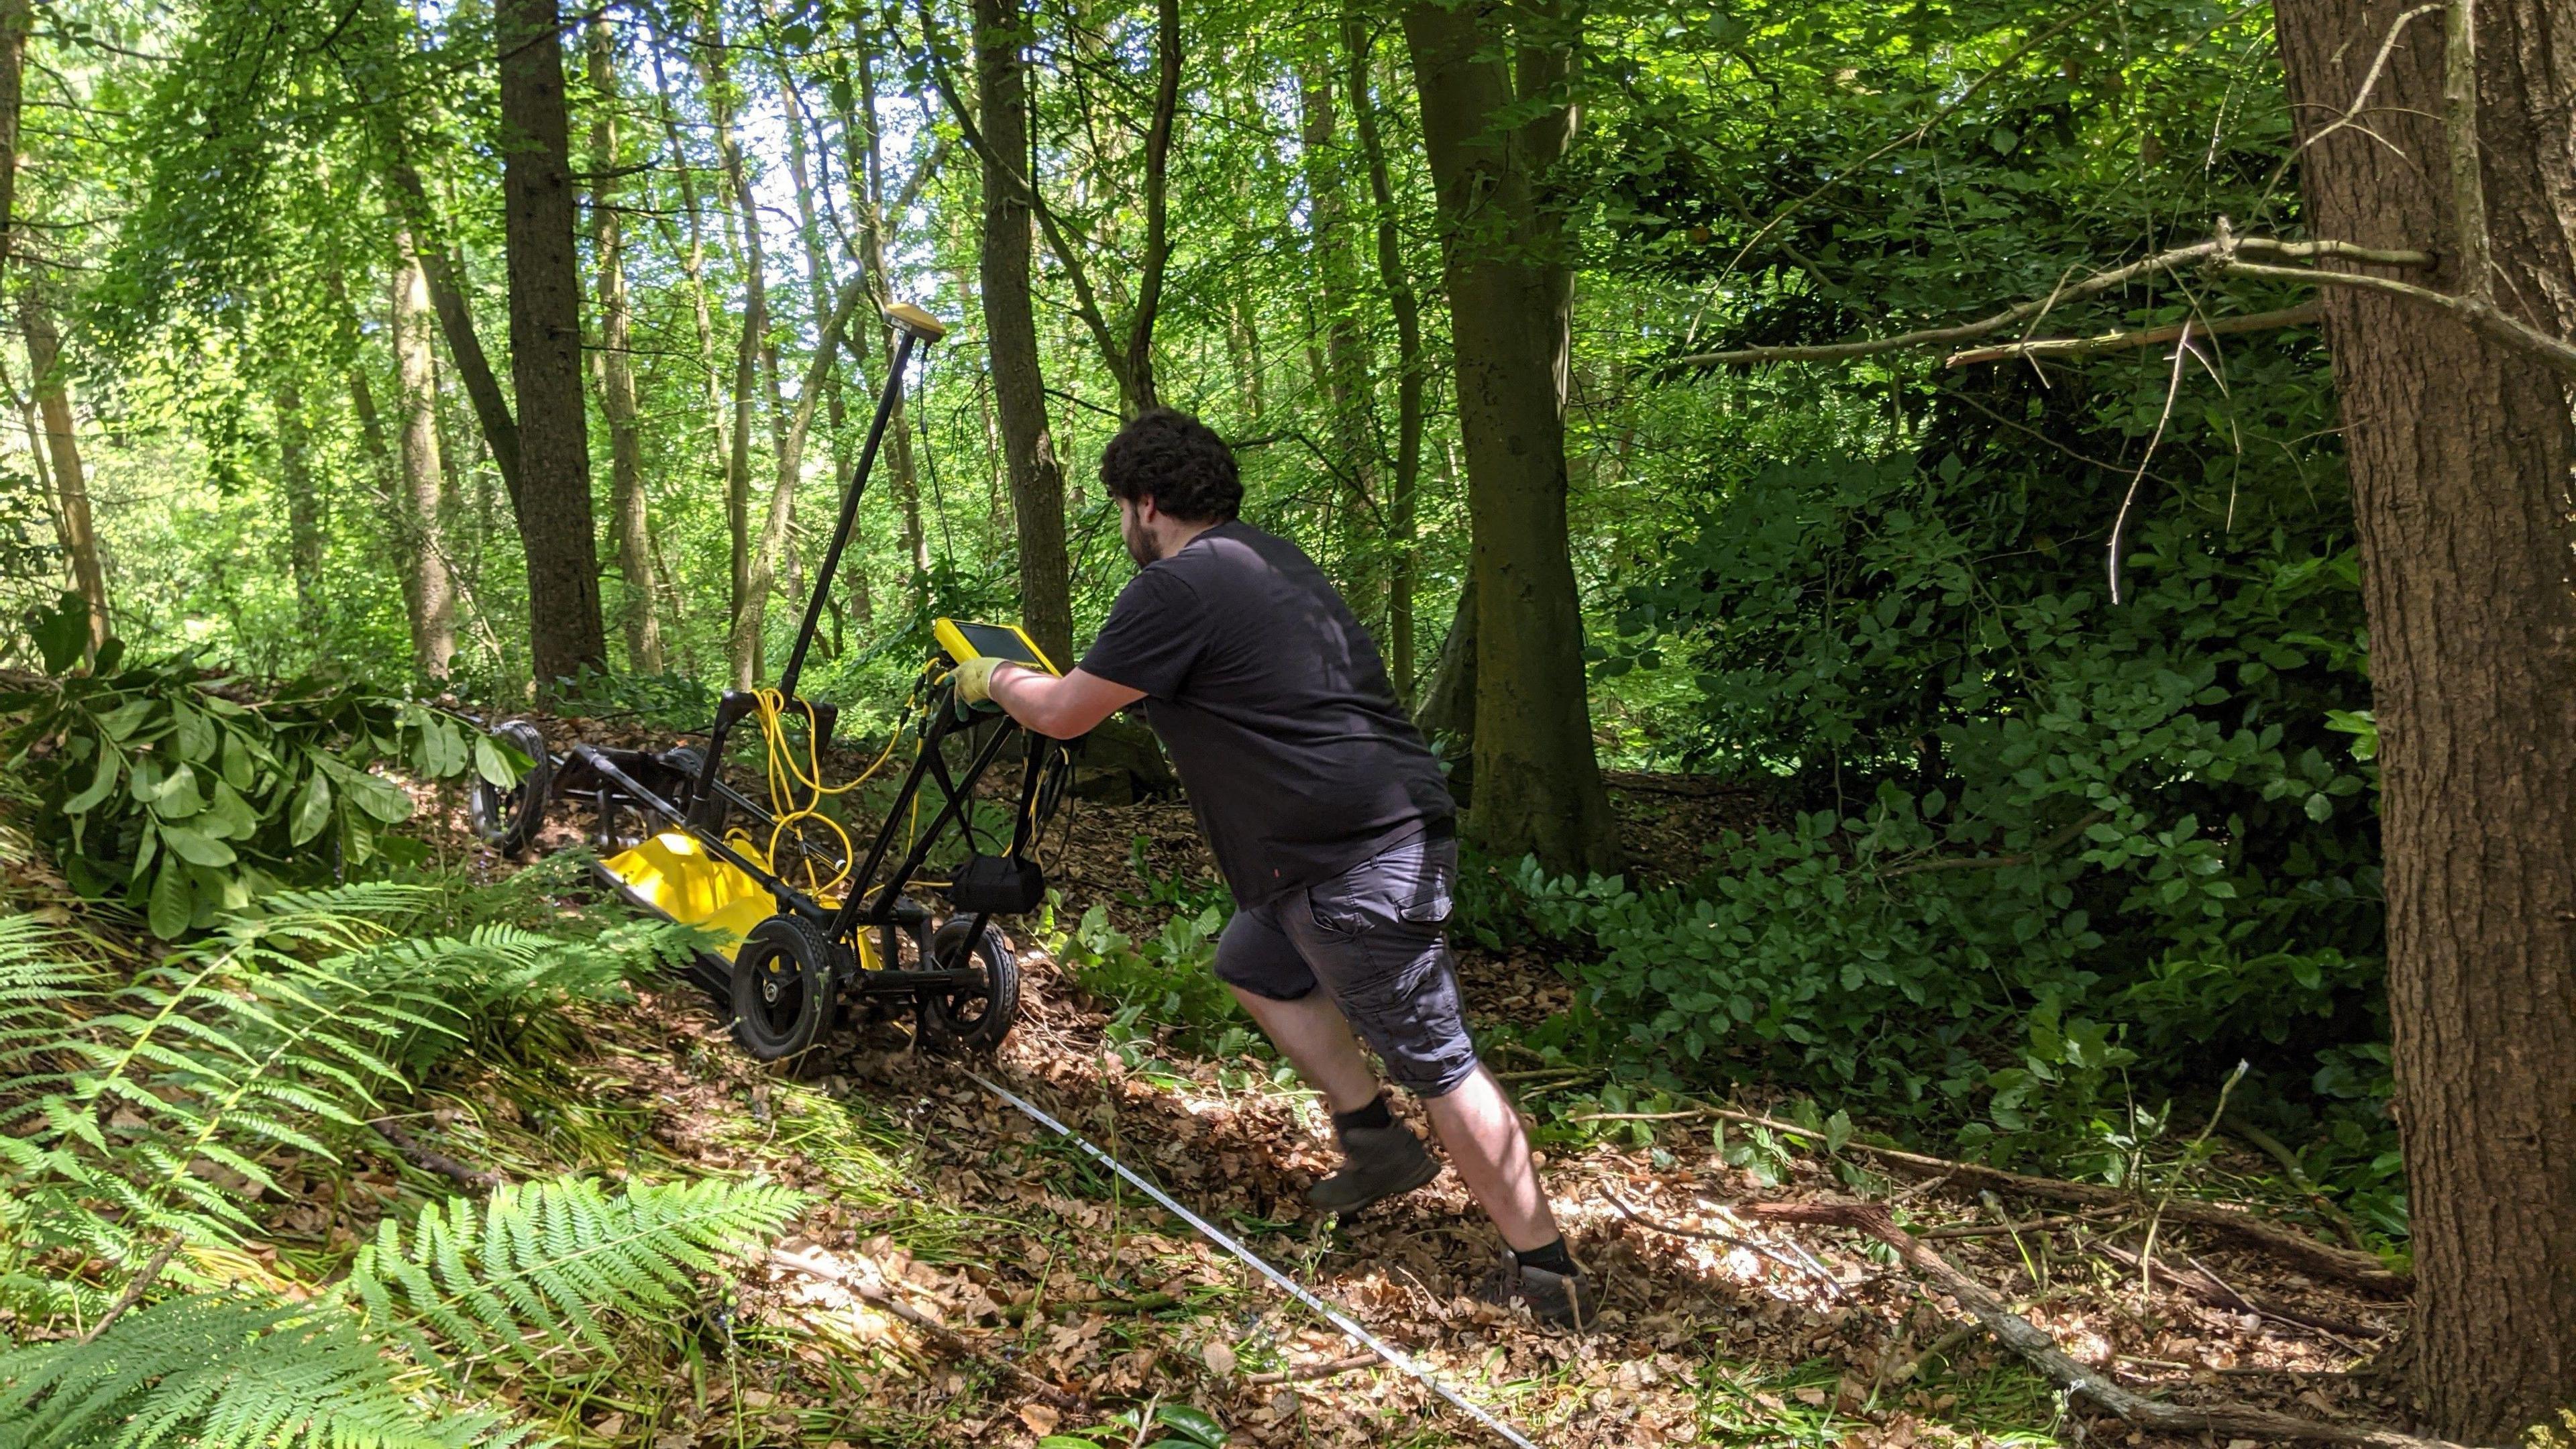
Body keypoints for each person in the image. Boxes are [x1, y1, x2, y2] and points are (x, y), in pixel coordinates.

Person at [952, 409, 1595, 1328]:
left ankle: (1547, 1276)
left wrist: (990, 677)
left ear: (1144, 503)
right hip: (1340, 853)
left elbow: (1061, 714)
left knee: (1442, 1064)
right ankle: (1373, 1142)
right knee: (1255, 964)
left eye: (1120, 509)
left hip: (1351, 863)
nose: (1125, 527)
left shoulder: (1175, 587)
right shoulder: (1271, 561)